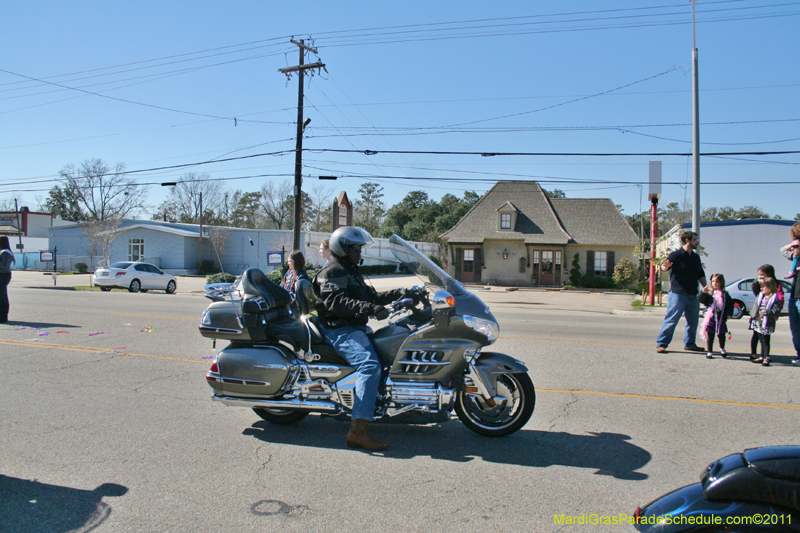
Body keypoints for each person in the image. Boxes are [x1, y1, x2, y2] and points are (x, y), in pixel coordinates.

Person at [313, 227, 407, 451]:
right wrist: (371, 309)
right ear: (343, 248)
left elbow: (372, 296)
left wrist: (403, 292)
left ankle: (375, 403)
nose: (360, 253)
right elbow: (336, 302)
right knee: (369, 366)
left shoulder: (349, 270)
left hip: (355, 327)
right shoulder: (333, 271)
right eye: (357, 249)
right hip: (340, 330)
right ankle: (358, 430)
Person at [656, 231, 707, 353]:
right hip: (678, 294)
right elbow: (664, 267)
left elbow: (700, 273)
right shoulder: (676, 255)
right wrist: (665, 267)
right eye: (695, 239)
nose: (697, 241)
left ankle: (690, 343)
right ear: (688, 240)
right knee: (671, 320)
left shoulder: (695, 257)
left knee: (693, 321)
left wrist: (705, 287)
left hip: (693, 295)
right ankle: (661, 344)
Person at [749, 264, 784, 361]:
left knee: (765, 338)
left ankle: (765, 355)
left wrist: (774, 312)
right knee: (755, 335)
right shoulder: (759, 286)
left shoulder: (775, 286)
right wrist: (759, 280)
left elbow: (780, 299)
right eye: (758, 275)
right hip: (757, 315)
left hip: (767, 316)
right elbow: (754, 287)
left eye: (762, 275)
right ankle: (754, 354)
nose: (760, 277)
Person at [698, 273, 734, 359]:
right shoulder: (710, 293)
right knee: (710, 336)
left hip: (721, 318)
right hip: (711, 318)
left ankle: (722, 348)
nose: (715, 283)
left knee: (721, 335)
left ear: (721, 282)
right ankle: (709, 351)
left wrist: (729, 314)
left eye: (717, 281)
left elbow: (730, 305)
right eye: (713, 281)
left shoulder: (725, 294)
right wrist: (703, 293)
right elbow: (701, 299)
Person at [779, 224, 800, 365]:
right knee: (796, 329)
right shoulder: (795, 254)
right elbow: (782, 250)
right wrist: (795, 244)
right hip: (795, 294)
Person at [0, 236, 14, 323]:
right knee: (2, 295)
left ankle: (2, 316)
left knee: (2, 296)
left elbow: (3, 265)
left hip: (2, 275)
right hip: (4, 275)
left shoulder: (5, 252)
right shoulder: (6, 252)